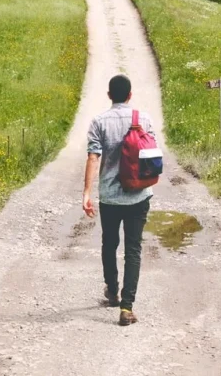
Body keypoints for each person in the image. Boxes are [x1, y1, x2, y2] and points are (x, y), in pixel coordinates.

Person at [83, 73, 156, 326]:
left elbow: (93, 157)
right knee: (133, 249)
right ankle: (127, 308)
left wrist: (86, 193)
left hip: (111, 197)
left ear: (109, 95)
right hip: (139, 194)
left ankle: (112, 291)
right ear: (130, 95)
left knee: (109, 244)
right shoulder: (144, 119)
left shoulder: (99, 122)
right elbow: (152, 156)